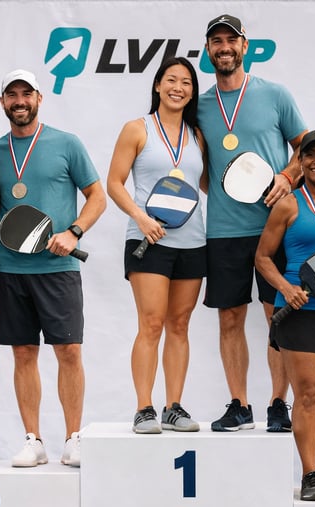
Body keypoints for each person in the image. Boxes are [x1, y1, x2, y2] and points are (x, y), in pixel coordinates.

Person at [0, 69, 106, 468]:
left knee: (69, 351)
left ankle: (74, 438)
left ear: (39, 98)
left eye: (26, 93)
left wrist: (74, 232)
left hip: (59, 269)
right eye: (12, 95)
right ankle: (33, 440)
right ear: (3, 102)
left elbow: (97, 197)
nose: (19, 101)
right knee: (24, 353)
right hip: (10, 270)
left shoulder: (66, 144)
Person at [198, 14, 308, 432]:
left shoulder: (275, 95)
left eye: (231, 40)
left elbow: (305, 149)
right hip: (224, 230)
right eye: (216, 42)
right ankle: (239, 404)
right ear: (208, 51)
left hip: (274, 227)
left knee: (275, 313)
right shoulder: (200, 105)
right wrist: (227, 191)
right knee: (230, 318)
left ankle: (278, 403)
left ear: (245, 46)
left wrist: (286, 177)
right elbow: (201, 166)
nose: (224, 48)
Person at [107, 57, 207, 434]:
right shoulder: (137, 129)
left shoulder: (197, 136)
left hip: (193, 241)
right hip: (148, 240)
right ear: (157, 86)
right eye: (171, 80)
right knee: (151, 323)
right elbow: (114, 183)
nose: (178, 87)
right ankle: (144, 407)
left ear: (192, 92)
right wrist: (141, 218)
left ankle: (174, 407)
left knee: (179, 325)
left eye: (186, 82)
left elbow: (207, 185)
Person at [255, 130, 315, 500]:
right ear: (300, 162)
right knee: (308, 393)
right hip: (299, 311)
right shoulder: (288, 205)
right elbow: (262, 258)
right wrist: (285, 288)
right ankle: (309, 474)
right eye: (309, 154)